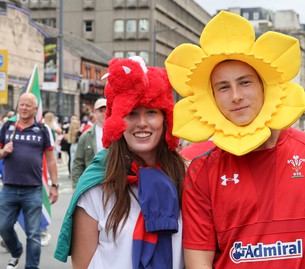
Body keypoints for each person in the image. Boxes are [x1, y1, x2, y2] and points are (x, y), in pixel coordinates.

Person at [165, 11, 305, 268]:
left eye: (245, 82)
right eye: (223, 87)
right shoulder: (201, 172)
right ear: (211, 96)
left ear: (264, 86)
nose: (235, 96)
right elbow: (198, 261)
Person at [54, 56, 186, 268]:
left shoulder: (187, 179)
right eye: (131, 114)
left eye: (151, 112)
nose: (142, 123)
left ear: (165, 118)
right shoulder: (97, 185)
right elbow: (83, 265)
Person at [0, 92, 59, 269]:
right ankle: (16, 251)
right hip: (9, 188)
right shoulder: (7, 126)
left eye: (28, 105)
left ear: (35, 109)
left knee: (33, 234)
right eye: (21, 104)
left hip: (32, 190)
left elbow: (50, 159)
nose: (24, 108)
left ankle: (31, 267)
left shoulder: (42, 130)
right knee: (3, 227)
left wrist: (54, 185)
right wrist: (3, 152)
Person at [71, 98, 106, 188]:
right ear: (95, 113)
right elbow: (78, 161)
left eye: (107, 110)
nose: (104, 113)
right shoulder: (86, 136)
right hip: (92, 182)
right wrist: (76, 185)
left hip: (113, 181)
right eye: (101, 111)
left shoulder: (118, 133)